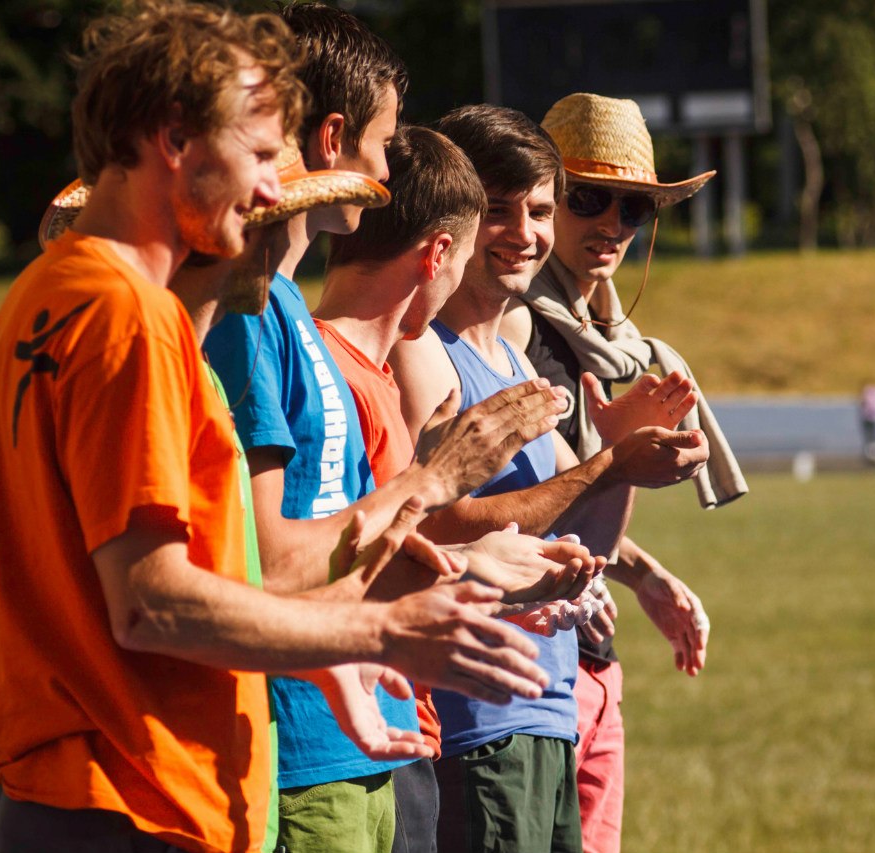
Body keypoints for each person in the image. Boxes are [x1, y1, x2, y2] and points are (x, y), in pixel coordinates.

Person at [0, 5, 550, 853]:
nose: (279, 187)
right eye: (263, 153)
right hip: (129, 798)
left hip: (75, 793)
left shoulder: (50, 291)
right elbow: (151, 602)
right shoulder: (128, 317)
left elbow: (204, 566)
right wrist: (380, 630)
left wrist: (318, 653)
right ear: (174, 139)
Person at [202, 7, 592, 852]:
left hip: (361, 735)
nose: (387, 167)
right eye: (384, 140)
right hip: (302, 755)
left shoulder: (287, 314)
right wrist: (438, 489)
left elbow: (345, 543)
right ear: (335, 137)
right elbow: (266, 559)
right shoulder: (245, 313)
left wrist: (468, 565)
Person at [391, 104, 709, 853]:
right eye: (498, 211)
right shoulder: (422, 350)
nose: (526, 233)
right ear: (454, 216)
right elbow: (429, 525)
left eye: (537, 210)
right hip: (476, 718)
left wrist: (626, 456)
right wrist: (608, 461)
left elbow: (584, 537)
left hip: (547, 710)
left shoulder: (515, 357)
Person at [498, 92, 750, 853]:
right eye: (588, 199)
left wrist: (643, 575)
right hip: (533, 667)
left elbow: (574, 487)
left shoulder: (609, 337)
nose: (611, 224)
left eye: (633, 208)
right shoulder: (515, 325)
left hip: (591, 662)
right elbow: (515, 505)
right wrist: (618, 454)